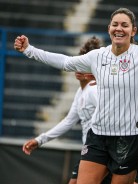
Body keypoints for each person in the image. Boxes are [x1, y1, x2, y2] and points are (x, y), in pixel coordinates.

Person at [14, 8, 138, 184]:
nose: (119, 28)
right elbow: (65, 62)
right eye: (115, 24)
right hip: (98, 136)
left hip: (129, 139)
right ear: (109, 28)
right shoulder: (96, 56)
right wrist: (29, 50)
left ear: (133, 31)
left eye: (125, 25)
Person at [22, 36, 111, 184]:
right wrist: (40, 140)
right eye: (79, 62)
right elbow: (69, 121)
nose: (79, 68)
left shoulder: (94, 91)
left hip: (102, 152)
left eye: (85, 65)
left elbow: (110, 112)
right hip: (89, 151)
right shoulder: (80, 92)